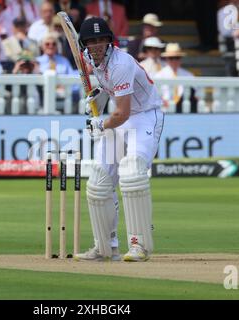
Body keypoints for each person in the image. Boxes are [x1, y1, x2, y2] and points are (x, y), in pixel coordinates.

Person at [74, 17, 164, 262]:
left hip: (144, 116)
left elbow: (122, 113)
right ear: (84, 44)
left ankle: (139, 244)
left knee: (132, 171)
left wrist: (100, 123)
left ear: (109, 41)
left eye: (101, 39)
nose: (96, 45)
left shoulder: (121, 63)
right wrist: (97, 98)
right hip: (122, 118)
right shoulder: (94, 63)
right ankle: (105, 246)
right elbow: (110, 93)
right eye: (91, 41)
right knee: (99, 181)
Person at [156, 43, 197, 114]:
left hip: (184, 111)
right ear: (166, 59)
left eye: (177, 58)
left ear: (180, 59)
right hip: (165, 110)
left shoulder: (188, 75)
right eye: (171, 58)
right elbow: (153, 95)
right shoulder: (159, 75)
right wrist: (162, 101)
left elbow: (197, 94)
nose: (174, 61)